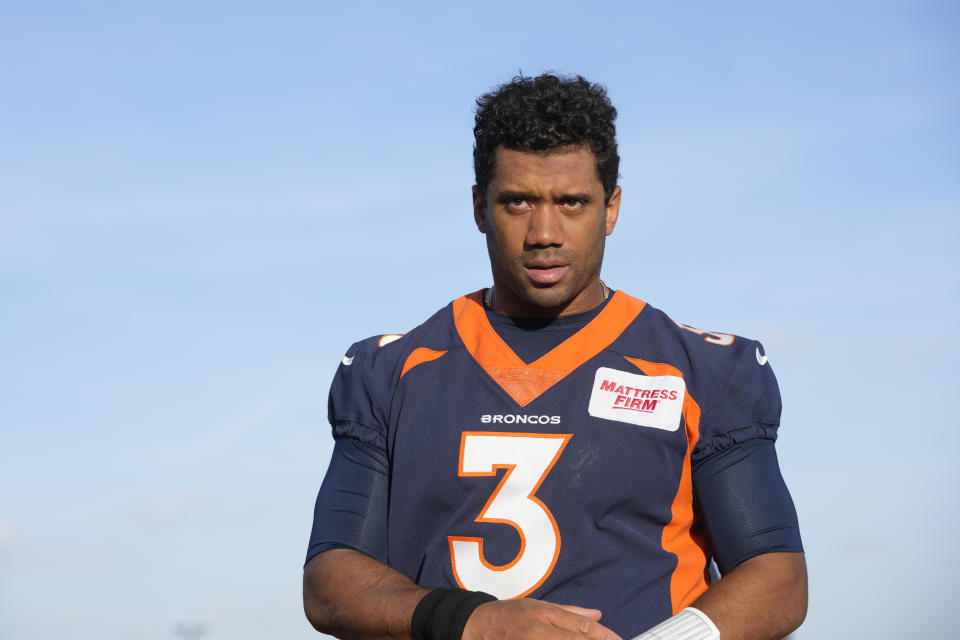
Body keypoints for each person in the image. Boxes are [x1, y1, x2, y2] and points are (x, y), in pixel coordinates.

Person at [303, 73, 807, 640]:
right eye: (517, 201)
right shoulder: (391, 371)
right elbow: (330, 581)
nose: (544, 232)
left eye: (572, 202)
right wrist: (472, 621)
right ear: (479, 207)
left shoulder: (705, 369)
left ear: (611, 208)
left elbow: (777, 574)